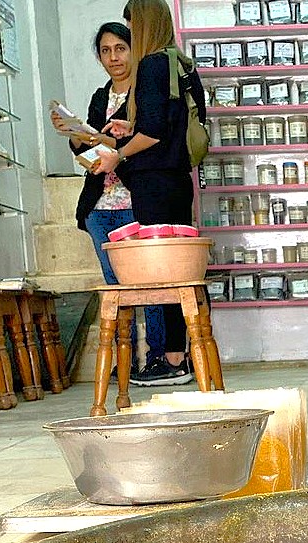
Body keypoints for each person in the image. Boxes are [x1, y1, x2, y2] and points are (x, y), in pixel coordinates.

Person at [92, 0, 206, 386]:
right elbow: (176, 122)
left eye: (131, 25)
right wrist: (132, 128)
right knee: (181, 268)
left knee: (163, 272)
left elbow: (154, 132)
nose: (131, 33)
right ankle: (188, 353)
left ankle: (172, 360)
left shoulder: (152, 64)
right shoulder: (181, 63)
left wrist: (119, 154)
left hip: (154, 182)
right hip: (177, 179)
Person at [50, 22, 170, 383]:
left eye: (120, 48)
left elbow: (151, 143)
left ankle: (158, 357)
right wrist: (73, 133)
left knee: (148, 285)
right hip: (100, 206)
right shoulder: (100, 97)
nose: (113, 57)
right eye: (105, 50)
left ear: (133, 51)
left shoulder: (144, 92)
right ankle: (125, 358)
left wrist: (119, 142)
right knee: (117, 289)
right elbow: (88, 148)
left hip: (137, 202)